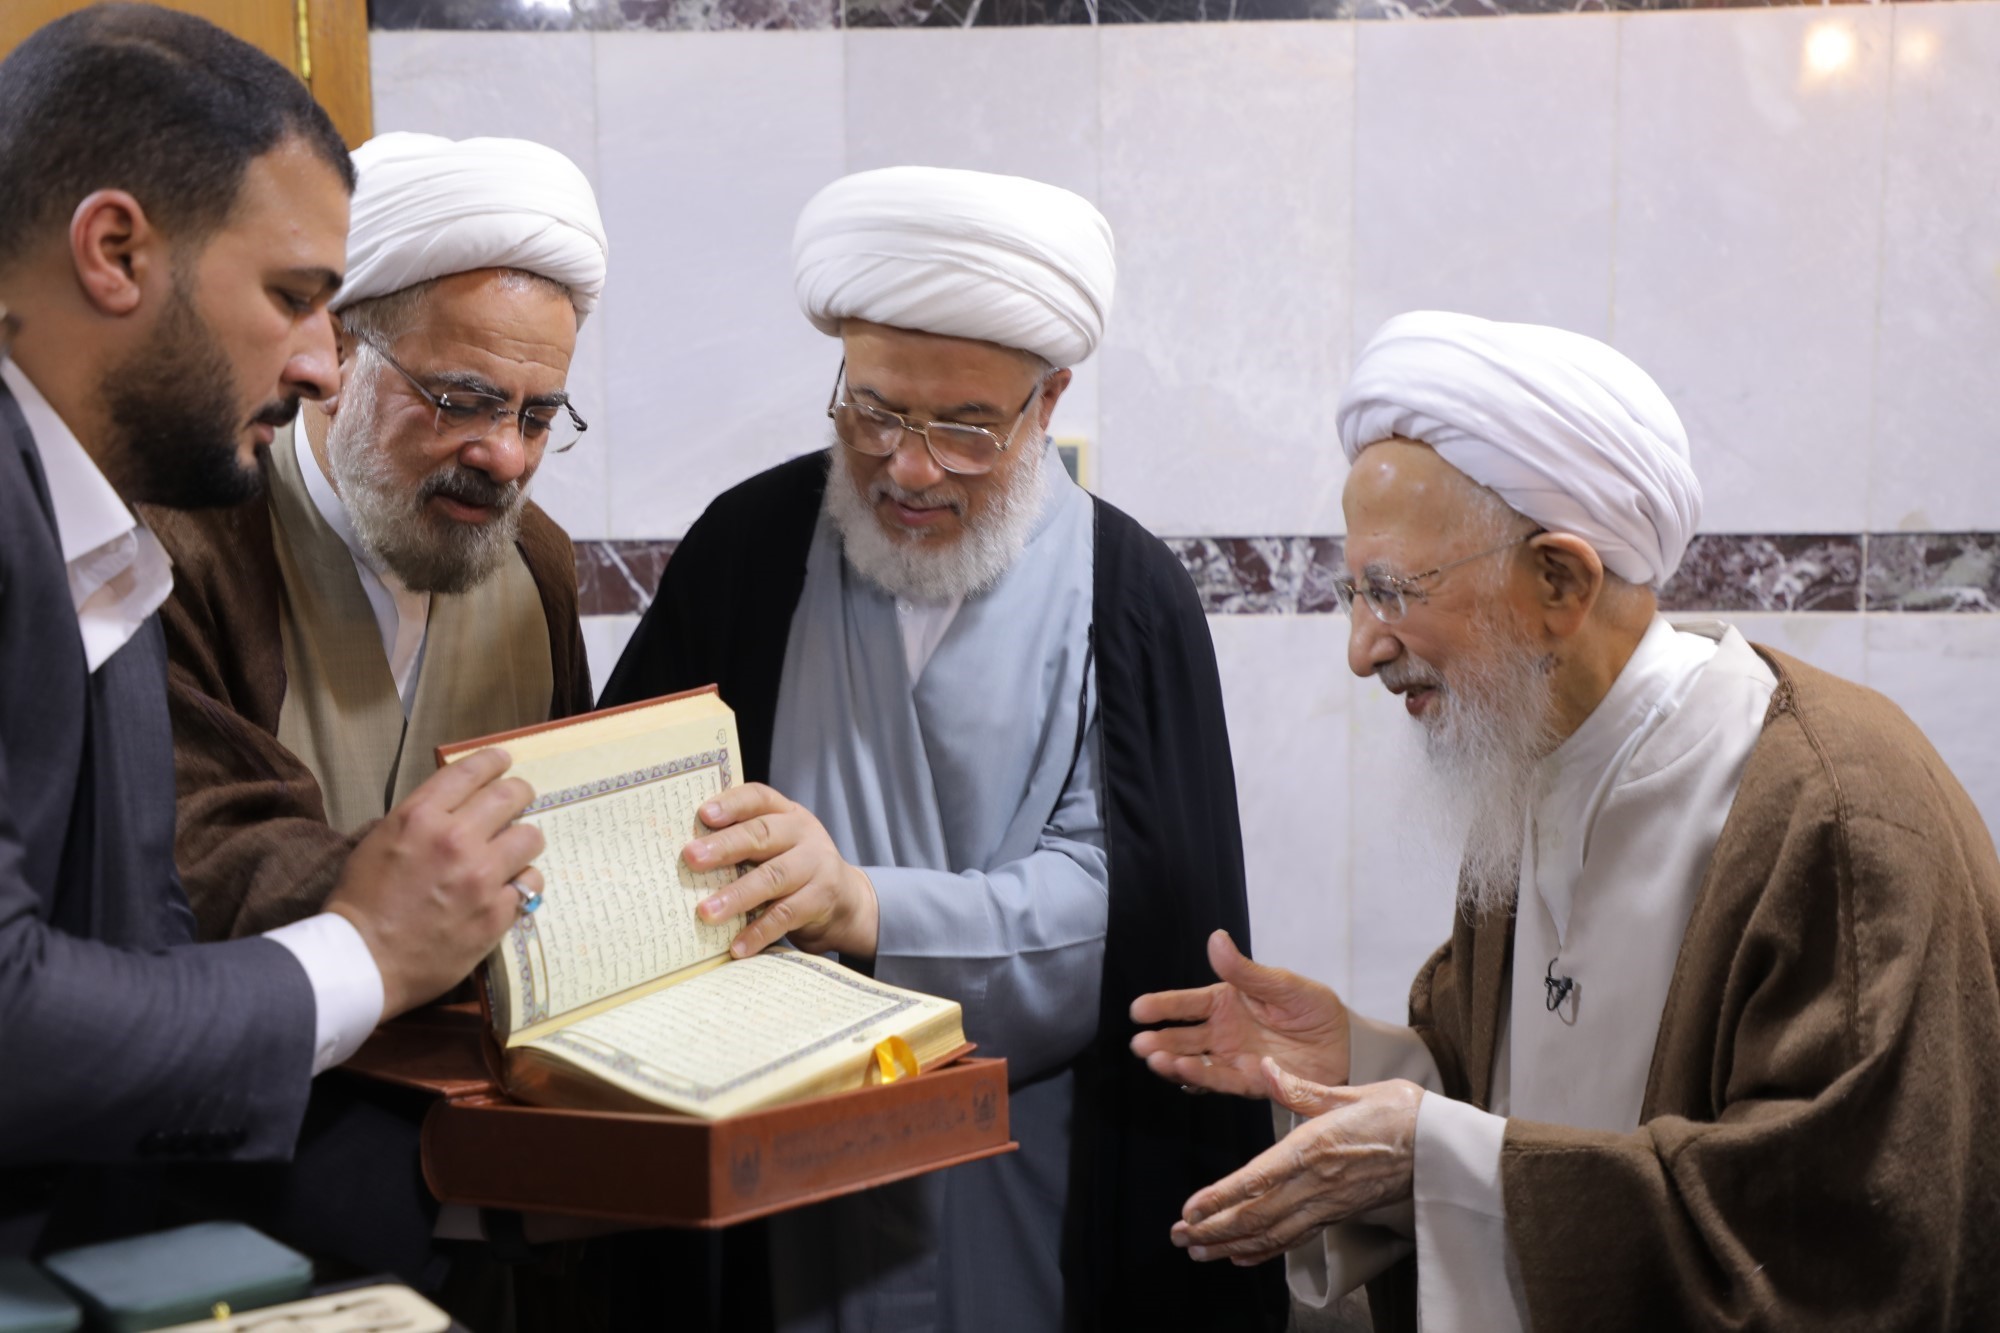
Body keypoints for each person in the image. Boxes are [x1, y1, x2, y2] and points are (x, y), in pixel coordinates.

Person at [1130, 311, 2000, 1331]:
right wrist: (1356, 1069)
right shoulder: (1531, 759)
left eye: (1392, 592)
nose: (1362, 649)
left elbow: (1831, 1246)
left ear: (1561, 580)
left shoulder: (1830, 812)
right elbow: (1510, 1104)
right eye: (1352, 593)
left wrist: (1432, 1160)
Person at [601, 165, 1285, 1330]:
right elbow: (630, 836)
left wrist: (863, 906)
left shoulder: (1125, 598)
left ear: (1047, 400)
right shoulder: (748, 550)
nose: (910, 467)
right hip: (776, 1176)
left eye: (965, 427)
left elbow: (1126, 922)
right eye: (873, 413)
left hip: (1032, 1180)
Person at [0, 5, 543, 1254]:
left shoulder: (105, 521)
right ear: (115, 252)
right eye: (293, 298)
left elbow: (141, 960)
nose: (319, 367)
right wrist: (369, 948)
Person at [144, 130, 604, 940]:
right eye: (462, 403)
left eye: (536, 417)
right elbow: (193, 852)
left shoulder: (536, 563)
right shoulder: (186, 543)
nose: (505, 457)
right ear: (335, 355)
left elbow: (571, 821)